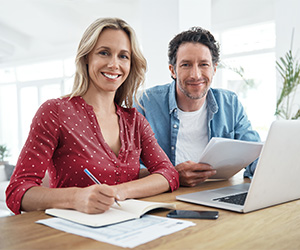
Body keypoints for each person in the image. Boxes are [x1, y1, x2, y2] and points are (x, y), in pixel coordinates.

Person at [6, 18, 179, 215]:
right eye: (104, 53)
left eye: (123, 56)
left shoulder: (135, 121)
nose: (114, 64)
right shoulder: (55, 112)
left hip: (127, 231)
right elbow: (17, 191)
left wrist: (119, 191)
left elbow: (168, 173)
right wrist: (75, 198)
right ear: (87, 57)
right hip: (69, 235)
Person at [135, 27, 261, 187]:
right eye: (186, 65)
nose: (196, 74)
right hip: (165, 196)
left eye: (203, 64)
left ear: (214, 68)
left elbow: (256, 156)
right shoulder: (145, 103)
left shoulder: (230, 104)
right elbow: (130, 167)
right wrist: (172, 175)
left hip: (217, 192)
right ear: (172, 70)